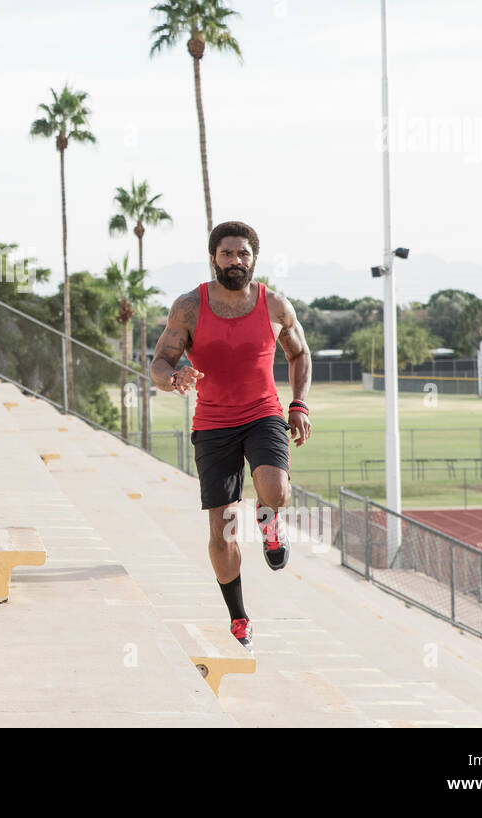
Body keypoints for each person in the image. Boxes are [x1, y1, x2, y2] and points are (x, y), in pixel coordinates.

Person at [150, 220, 312, 647]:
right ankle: (239, 616)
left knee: (275, 491)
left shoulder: (275, 305)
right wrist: (175, 378)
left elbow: (299, 353)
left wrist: (298, 404)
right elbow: (160, 363)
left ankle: (269, 519)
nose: (235, 261)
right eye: (227, 254)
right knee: (222, 531)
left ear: (254, 257)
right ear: (213, 258)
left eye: (243, 253)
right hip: (213, 424)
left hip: (262, 413)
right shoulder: (189, 307)